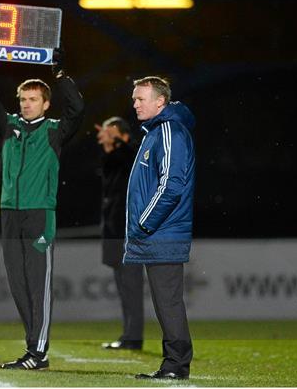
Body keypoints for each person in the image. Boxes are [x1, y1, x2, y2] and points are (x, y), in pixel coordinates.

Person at [0, 40, 84, 370]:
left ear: (46, 103)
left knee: (38, 286)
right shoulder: (11, 127)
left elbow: (77, 110)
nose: (26, 104)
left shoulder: (54, 132)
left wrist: (60, 75)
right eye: (23, 99)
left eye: (33, 99)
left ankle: (38, 351)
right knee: (18, 287)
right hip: (10, 216)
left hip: (38, 215)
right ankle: (34, 350)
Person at [124, 76, 195, 380]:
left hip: (162, 233)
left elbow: (171, 185)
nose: (135, 103)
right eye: (134, 98)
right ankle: (174, 363)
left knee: (167, 302)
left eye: (141, 98)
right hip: (158, 234)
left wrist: (144, 223)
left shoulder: (168, 131)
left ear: (160, 102)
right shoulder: (155, 131)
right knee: (165, 303)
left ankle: (176, 365)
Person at [95, 117, 144, 350]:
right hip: (115, 231)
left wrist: (116, 140)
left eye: (107, 130)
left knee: (131, 286)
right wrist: (108, 145)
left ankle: (134, 337)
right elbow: (110, 167)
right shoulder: (117, 156)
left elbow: (130, 159)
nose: (102, 134)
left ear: (119, 132)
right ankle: (129, 335)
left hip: (129, 232)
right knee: (124, 287)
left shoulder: (133, 151)